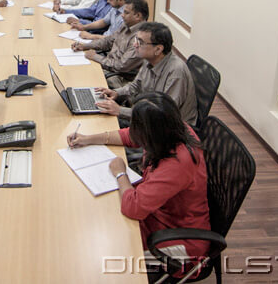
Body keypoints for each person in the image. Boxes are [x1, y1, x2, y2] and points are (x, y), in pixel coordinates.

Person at [66, 92, 210, 279]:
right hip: (157, 213)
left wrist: (120, 173)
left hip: (179, 239)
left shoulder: (178, 163)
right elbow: (131, 136)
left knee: (102, 258)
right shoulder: (171, 128)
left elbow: (133, 208)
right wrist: (88, 139)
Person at [94, 22, 198, 126]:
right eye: (136, 39)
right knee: (102, 115)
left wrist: (120, 110)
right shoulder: (149, 59)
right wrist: (116, 93)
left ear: (158, 49)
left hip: (170, 127)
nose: (135, 45)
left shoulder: (176, 71)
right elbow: (136, 85)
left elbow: (164, 112)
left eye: (140, 42)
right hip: (150, 114)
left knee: (106, 123)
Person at [71, 0, 148, 88]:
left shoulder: (141, 37)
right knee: (76, 71)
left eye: (126, 13)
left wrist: (95, 57)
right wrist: (85, 46)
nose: (122, 15)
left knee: (82, 79)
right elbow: (108, 41)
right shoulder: (126, 25)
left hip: (120, 76)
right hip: (109, 65)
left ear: (138, 16)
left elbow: (121, 66)